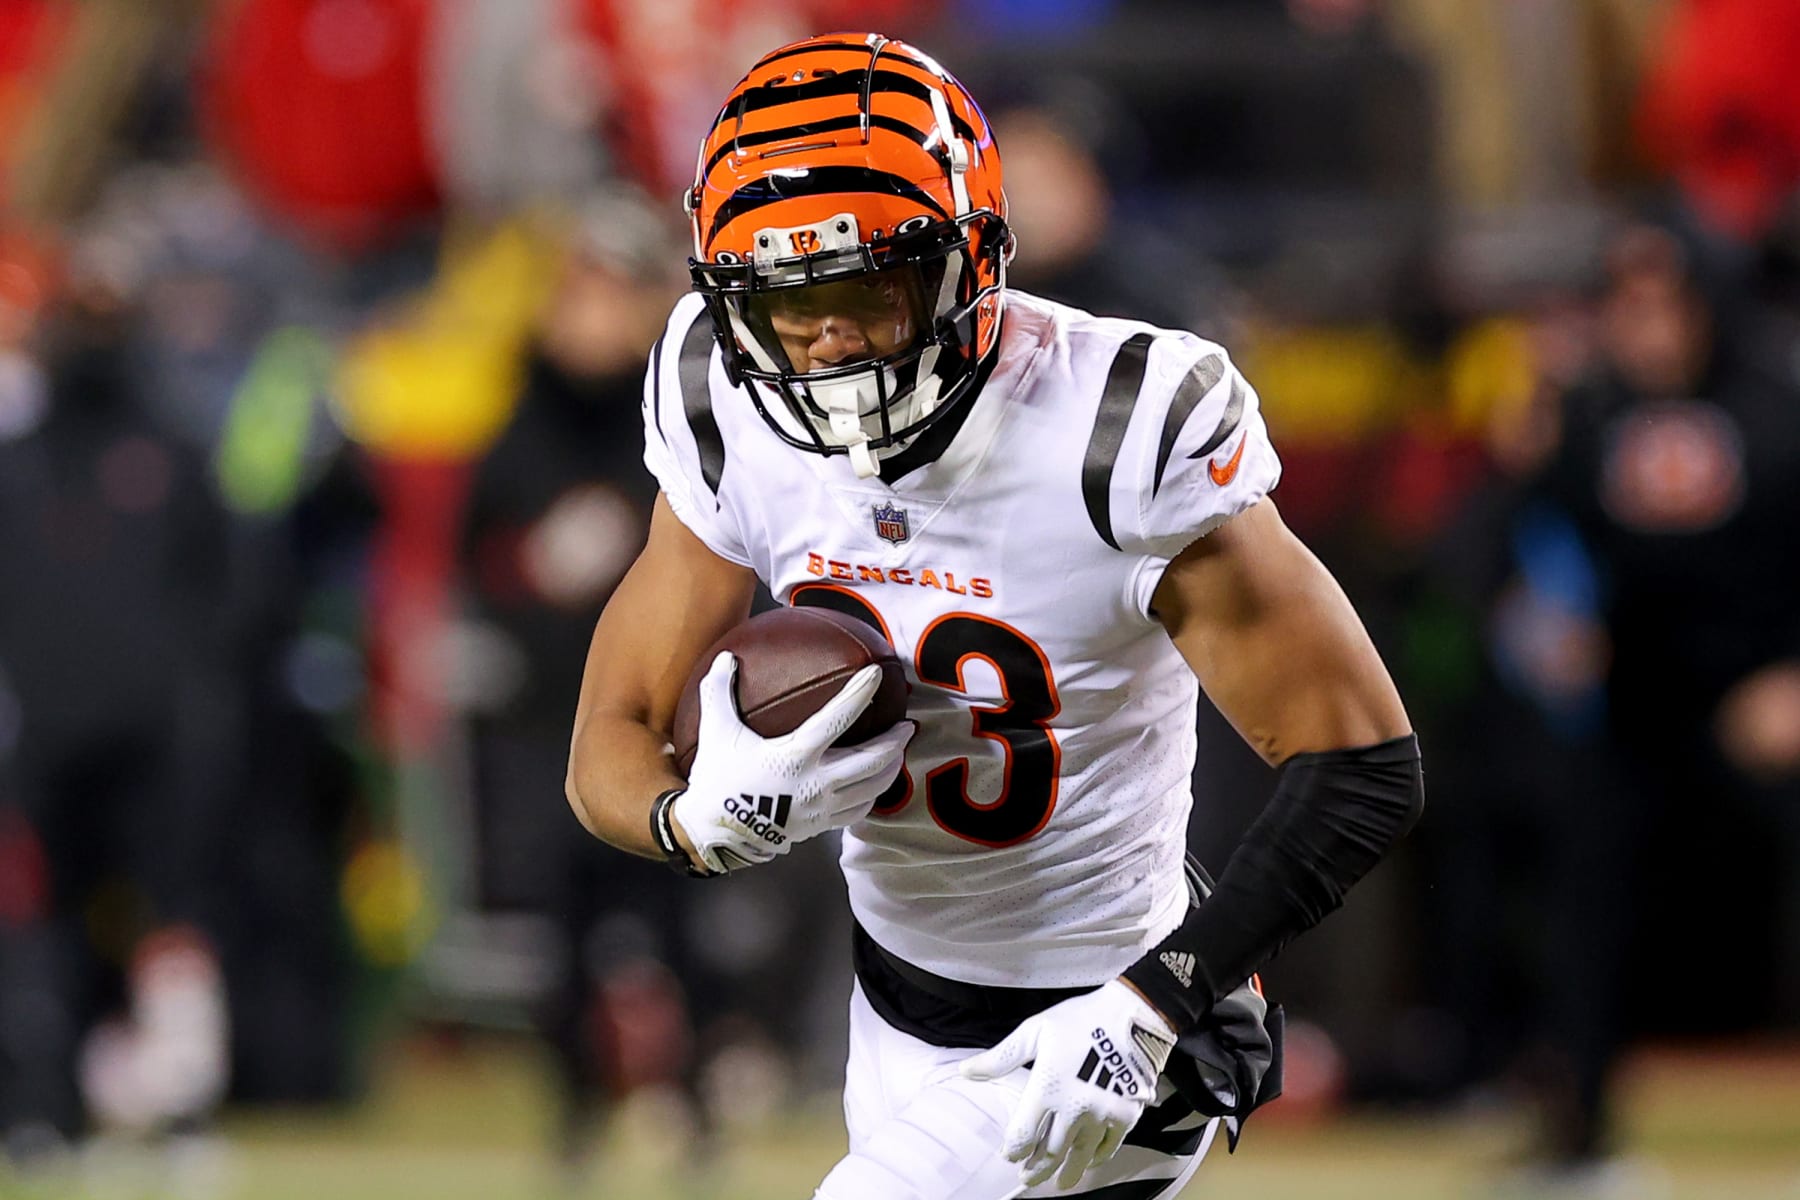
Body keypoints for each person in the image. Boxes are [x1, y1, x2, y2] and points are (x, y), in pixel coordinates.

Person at [565, 32, 1422, 1200]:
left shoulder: (1114, 432)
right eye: (788, 303)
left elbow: (1364, 766)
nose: (828, 343)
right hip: (901, 1012)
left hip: (1115, 1018)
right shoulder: (722, 399)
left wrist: (1156, 1002)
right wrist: (690, 824)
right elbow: (609, 732)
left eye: (866, 289)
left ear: (971, 261)